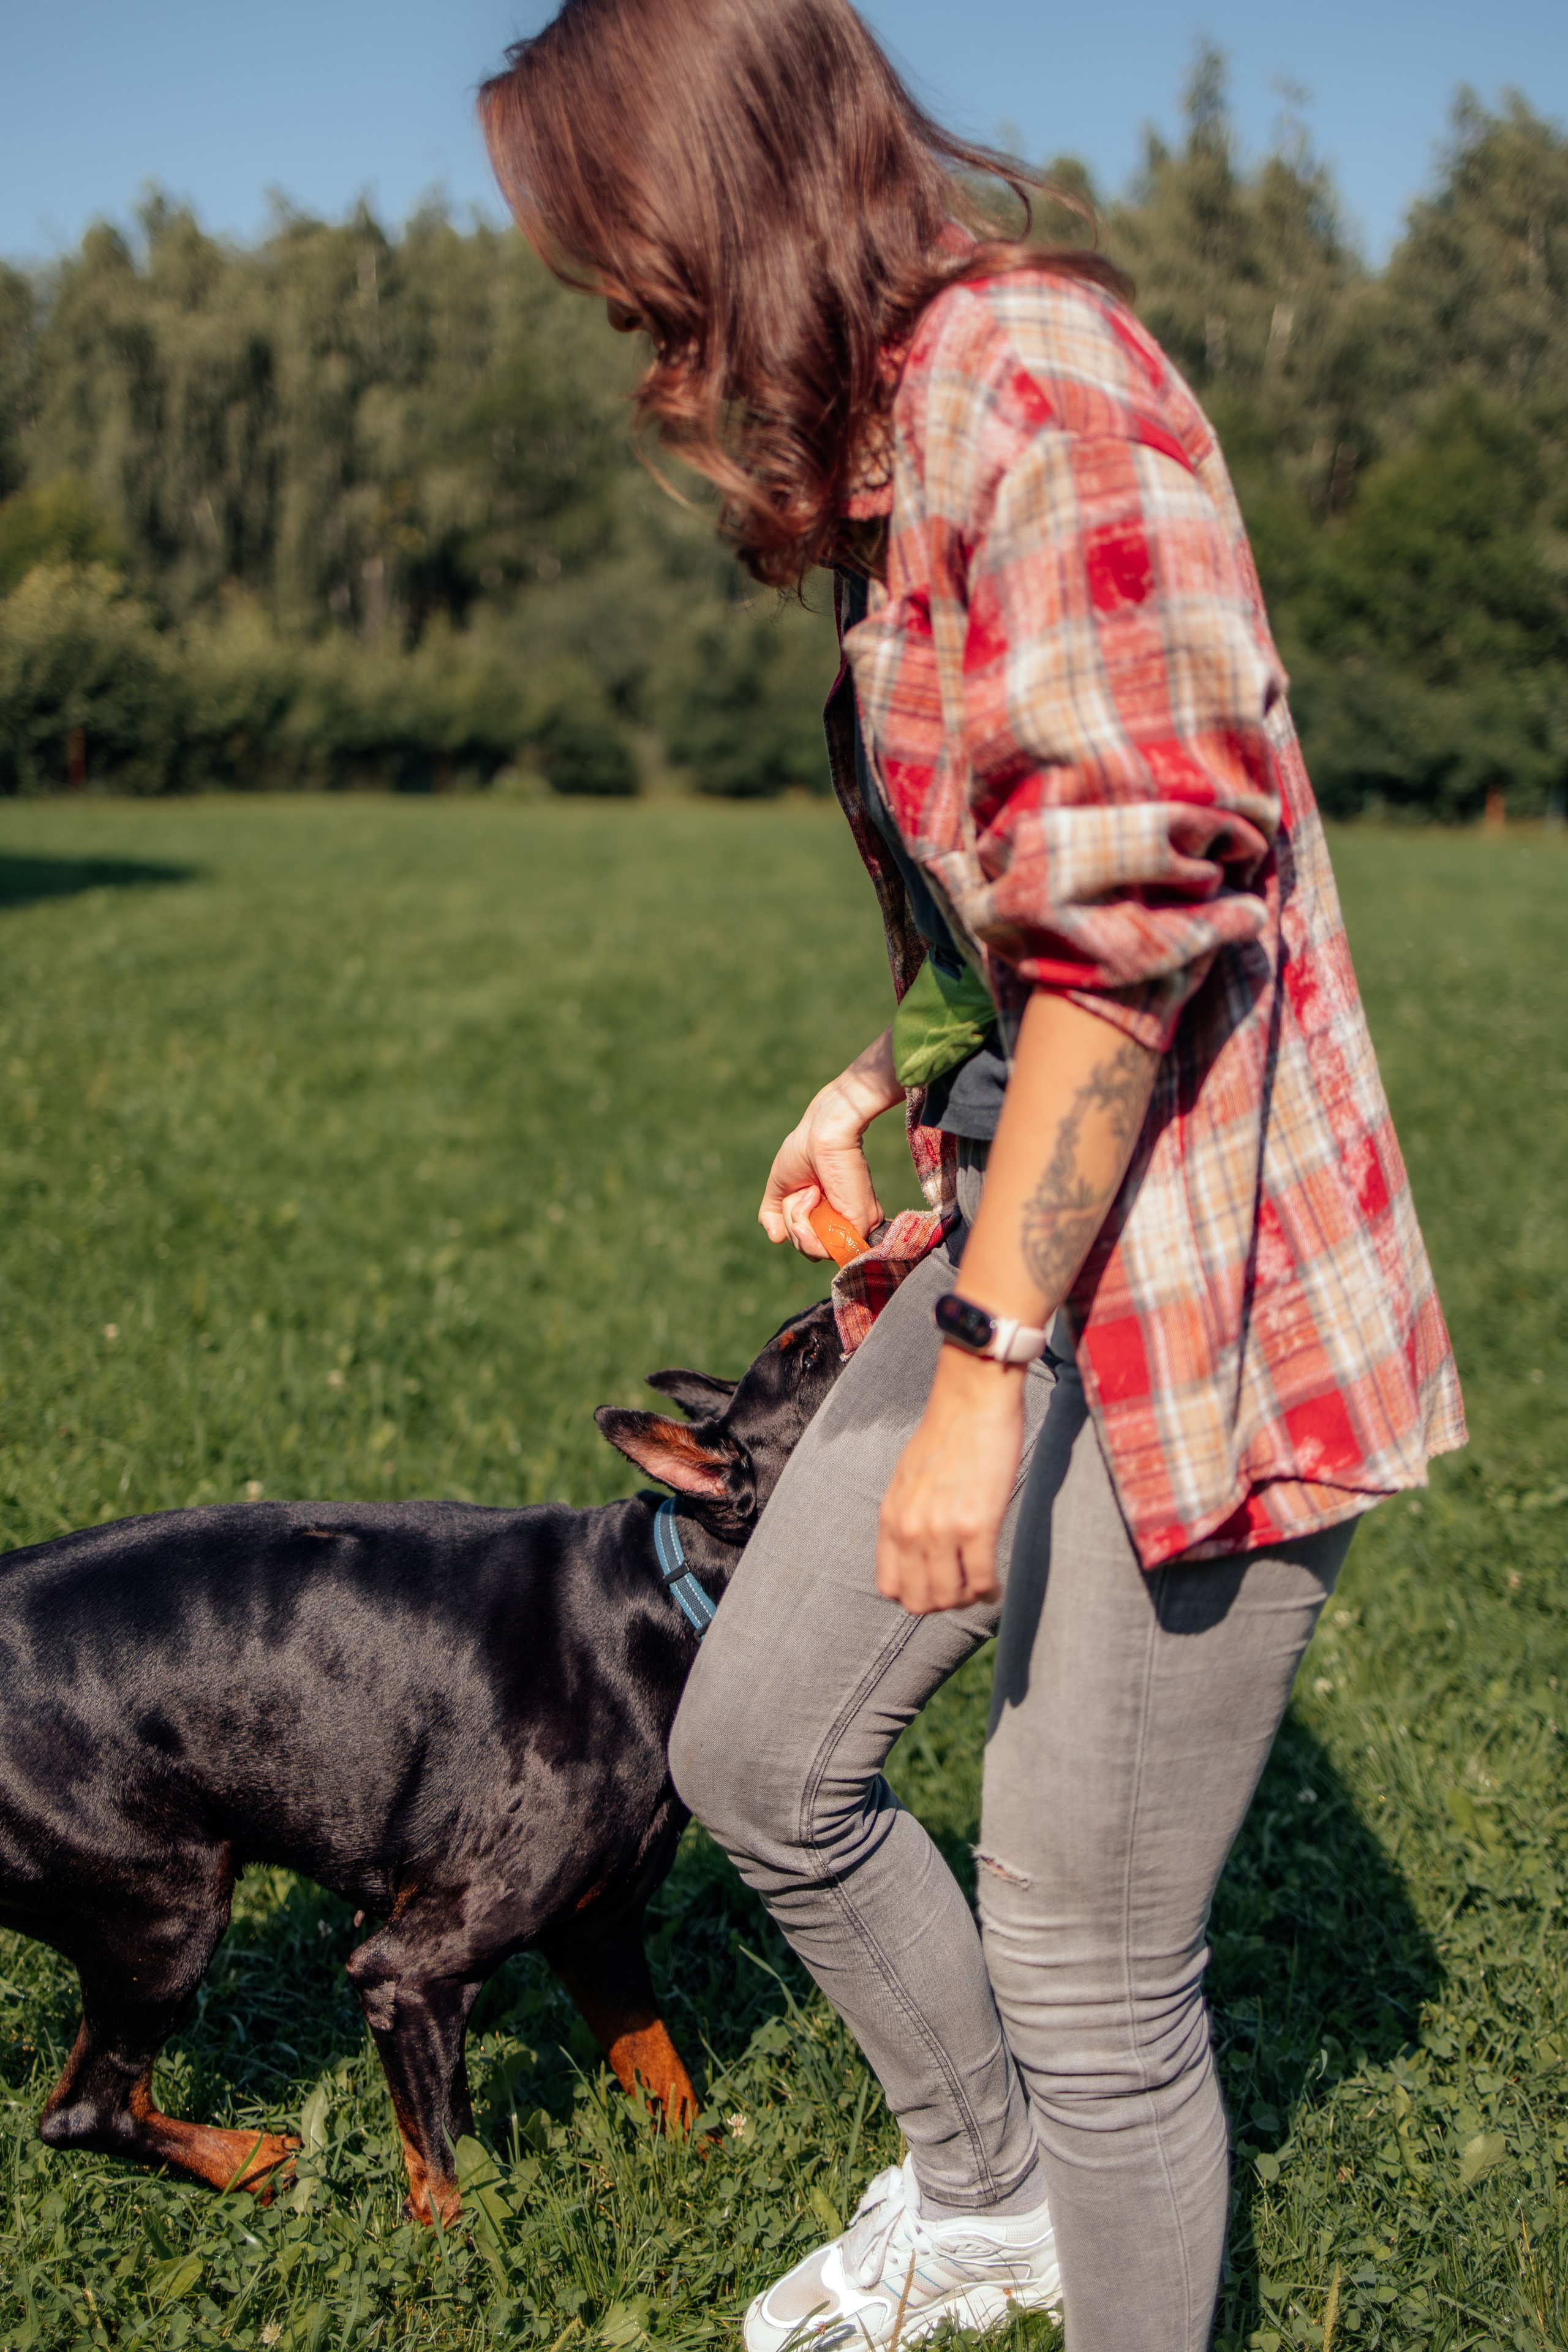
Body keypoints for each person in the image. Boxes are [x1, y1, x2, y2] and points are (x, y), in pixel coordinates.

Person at [479, 7, 1466, 2348]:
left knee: (1098, 1958)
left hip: (1192, 1285)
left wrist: (984, 1377)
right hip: (1039, 1207)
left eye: (645, 285)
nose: (644, 355)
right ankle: (990, 2190)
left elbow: (1136, 942)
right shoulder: (901, 437)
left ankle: (1087, 2212)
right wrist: (877, 1068)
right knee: (759, 1746)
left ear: (732, 194)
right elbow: (1019, 905)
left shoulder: (1035, 382)